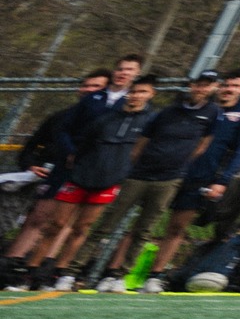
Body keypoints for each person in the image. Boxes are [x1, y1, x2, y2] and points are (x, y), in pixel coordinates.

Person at [83, 70, 222, 291]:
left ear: (214, 87)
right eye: (199, 84)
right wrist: (138, 164)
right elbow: (142, 141)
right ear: (191, 85)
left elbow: (204, 144)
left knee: (144, 229)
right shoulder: (168, 111)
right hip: (140, 175)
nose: (202, 89)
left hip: (169, 179)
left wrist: (180, 164)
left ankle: (120, 276)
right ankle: (73, 271)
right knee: (108, 223)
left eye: (207, 85)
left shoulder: (213, 113)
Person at [39, 74, 157, 289]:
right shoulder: (107, 117)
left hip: (109, 180)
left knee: (83, 227)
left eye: (142, 92)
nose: (136, 96)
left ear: (151, 94)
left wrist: (122, 172)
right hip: (81, 175)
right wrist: (75, 159)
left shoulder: (151, 121)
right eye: (133, 91)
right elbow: (85, 141)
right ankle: (33, 271)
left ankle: (61, 273)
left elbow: (141, 151)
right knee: (55, 224)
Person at [0, 69, 112, 289]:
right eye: (86, 86)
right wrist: (31, 165)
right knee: (37, 219)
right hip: (48, 176)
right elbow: (32, 146)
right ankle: (10, 266)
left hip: (85, 177)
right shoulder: (62, 117)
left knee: (66, 224)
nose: (89, 91)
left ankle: (45, 270)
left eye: (96, 87)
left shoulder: (111, 121)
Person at [152, 69, 240, 287]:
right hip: (167, 172)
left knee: (176, 227)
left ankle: (155, 275)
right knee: (145, 224)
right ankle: (114, 272)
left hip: (201, 178)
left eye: (236, 86)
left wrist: (222, 180)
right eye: (226, 84)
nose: (229, 89)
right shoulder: (200, 107)